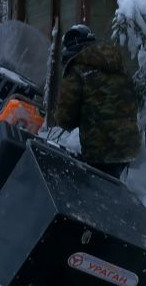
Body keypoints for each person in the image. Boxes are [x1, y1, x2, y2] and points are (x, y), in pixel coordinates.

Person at [53, 25, 141, 179]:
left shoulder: (77, 72)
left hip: (100, 149)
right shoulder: (118, 66)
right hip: (128, 146)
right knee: (112, 186)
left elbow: (64, 119)